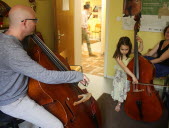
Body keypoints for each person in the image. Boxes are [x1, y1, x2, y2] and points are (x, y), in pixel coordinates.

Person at [0, 5, 90, 128]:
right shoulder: (12, 50)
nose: (36, 23)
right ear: (25, 23)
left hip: (17, 90)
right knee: (56, 125)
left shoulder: (5, 37)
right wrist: (77, 75)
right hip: (13, 101)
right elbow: (46, 76)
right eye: (34, 20)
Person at [111, 36, 143, 112]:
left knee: (126, 88)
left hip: (128, 74)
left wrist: (141, 42)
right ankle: (119, 103)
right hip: (120, 75)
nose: (124, 51)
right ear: (119, 47)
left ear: (129, 48)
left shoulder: (128, 51)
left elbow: (140, 50)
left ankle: (126, 100)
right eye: (122, 49)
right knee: (120, 89)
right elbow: (124, 68)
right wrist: (133, 76)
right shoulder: (117, 56)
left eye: (126, 49)